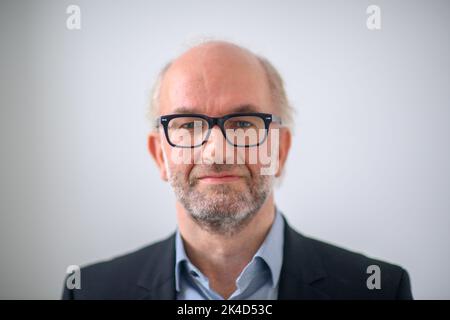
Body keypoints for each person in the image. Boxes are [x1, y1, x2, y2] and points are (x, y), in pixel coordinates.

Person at [62, 40, 412, 300]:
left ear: (282, 148)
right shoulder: (91, 292)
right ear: (159, 156)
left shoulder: (379, 290)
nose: (217, 150)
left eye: (243, 123)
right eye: (188, 125)